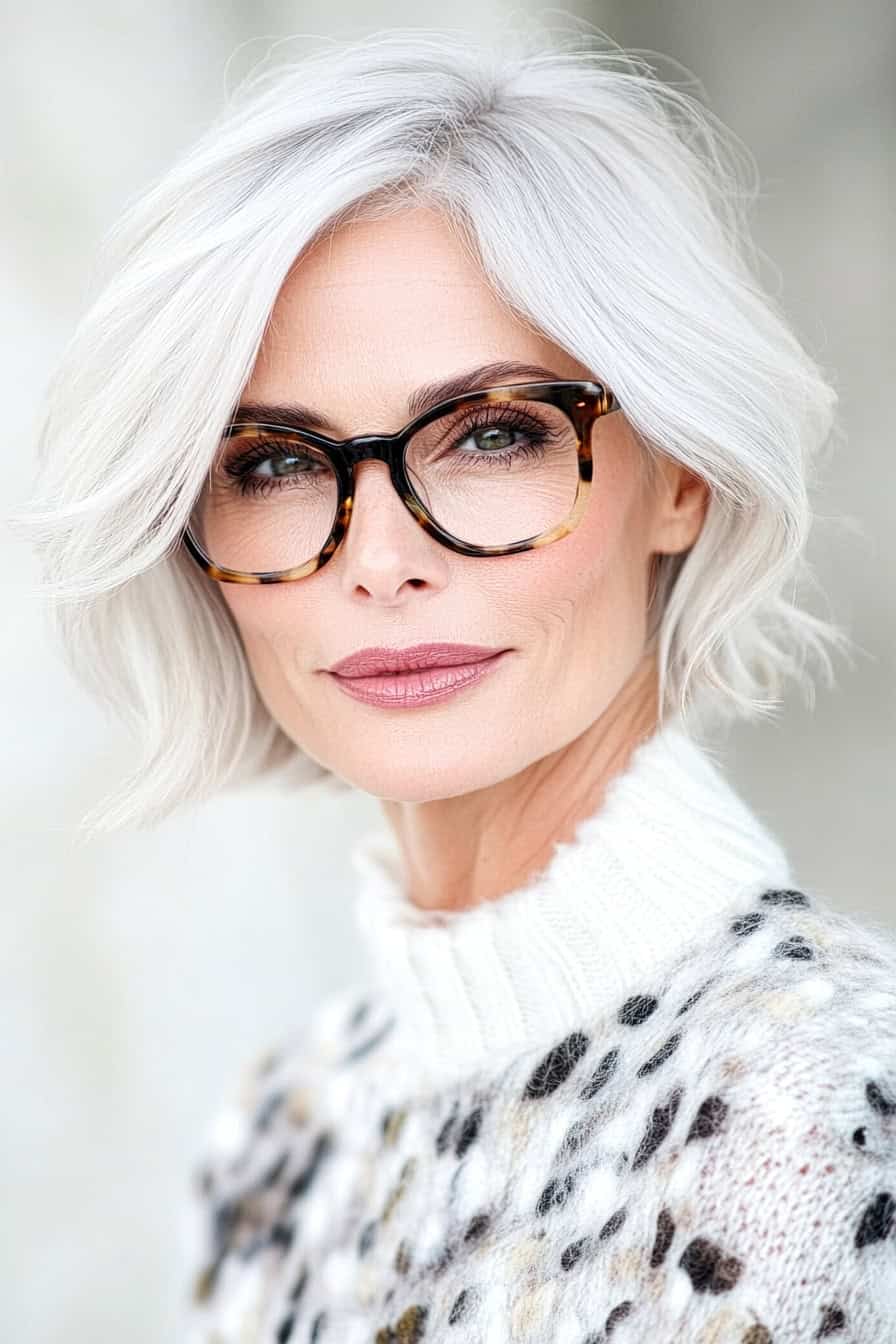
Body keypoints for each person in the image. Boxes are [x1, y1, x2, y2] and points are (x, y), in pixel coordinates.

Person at [12, 21, 896, 1344]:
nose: (378, 559)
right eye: (272, 460)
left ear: (685, 471)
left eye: (494, 434)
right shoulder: (279, 1140)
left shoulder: (821, 1109)